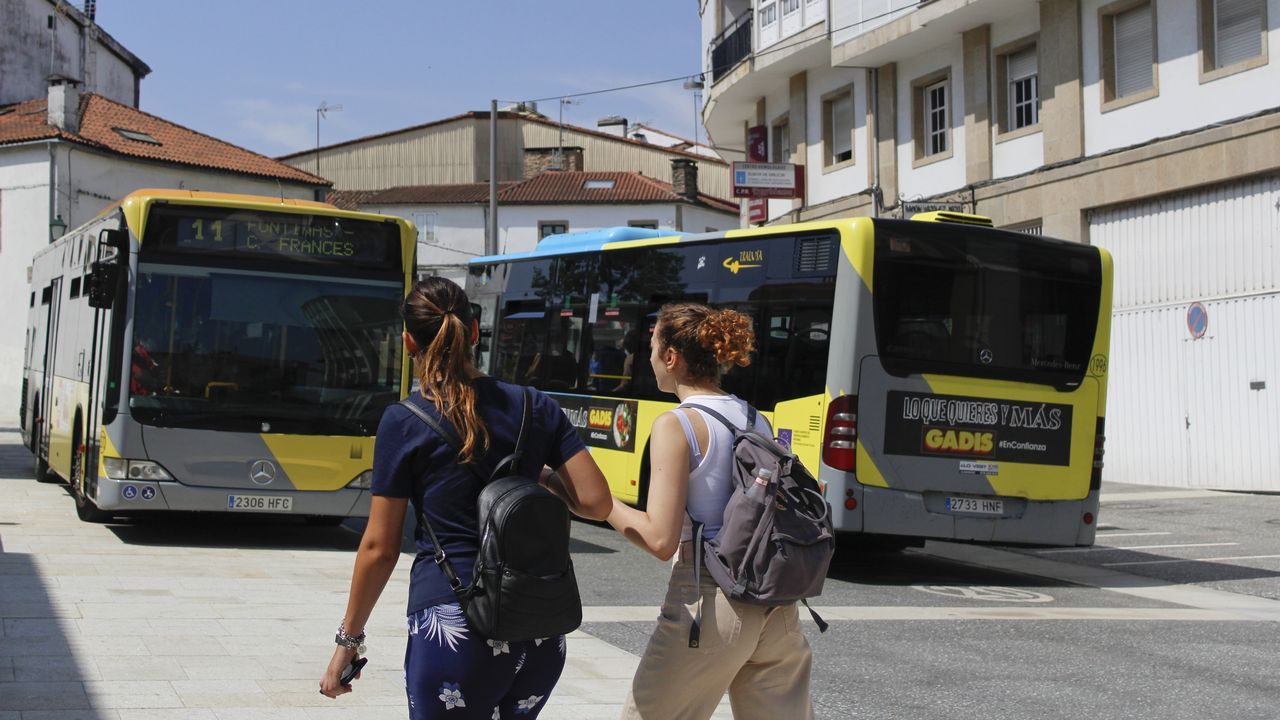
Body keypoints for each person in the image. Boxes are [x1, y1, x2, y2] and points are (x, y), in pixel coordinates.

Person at [319, 277, 613, 719]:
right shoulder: (535, 405)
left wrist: (348, 641)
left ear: (408, 342)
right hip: (538, 630)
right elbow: (596, 502)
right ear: (475, 333)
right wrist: (541, 475)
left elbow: (379, 548)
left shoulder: (405, 420)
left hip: (455, 628)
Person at [606, 302, 816, 720]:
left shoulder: (676, 424)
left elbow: (660, 539)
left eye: (651, 348)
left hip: (712, 602)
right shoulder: (755, 418)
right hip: (776, 603)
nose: (649, 359)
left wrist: (602, 502)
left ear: (671, 356)